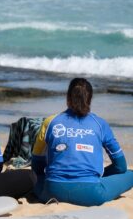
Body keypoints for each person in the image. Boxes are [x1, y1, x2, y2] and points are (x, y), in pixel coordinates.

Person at [32, 78, 133, 206]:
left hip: (52, 192)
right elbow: (121, 166)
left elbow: (36, 166)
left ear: (67, 97)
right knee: (130, 174)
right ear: (90, 99)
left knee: (32, 178)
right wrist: (97, 175)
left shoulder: (50, 122)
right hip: (91, 193)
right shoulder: (100, 124)